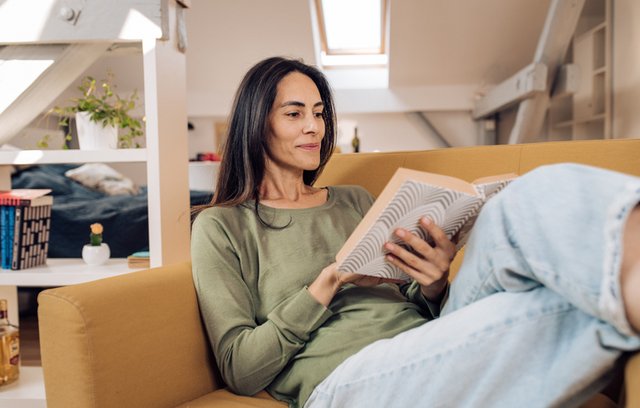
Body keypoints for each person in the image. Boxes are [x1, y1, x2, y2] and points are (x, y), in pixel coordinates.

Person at [191, 56, 640, 408]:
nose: (314, 126)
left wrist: (434, 282)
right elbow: (241, 368)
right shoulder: (224, 225)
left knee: (527, 195)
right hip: (347, 380)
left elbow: (414, 303)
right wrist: (331, 280)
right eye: (294, 114)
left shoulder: (353, 199)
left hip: (432, 337)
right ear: (257, 123)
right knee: (562, 300)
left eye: (319, 113)